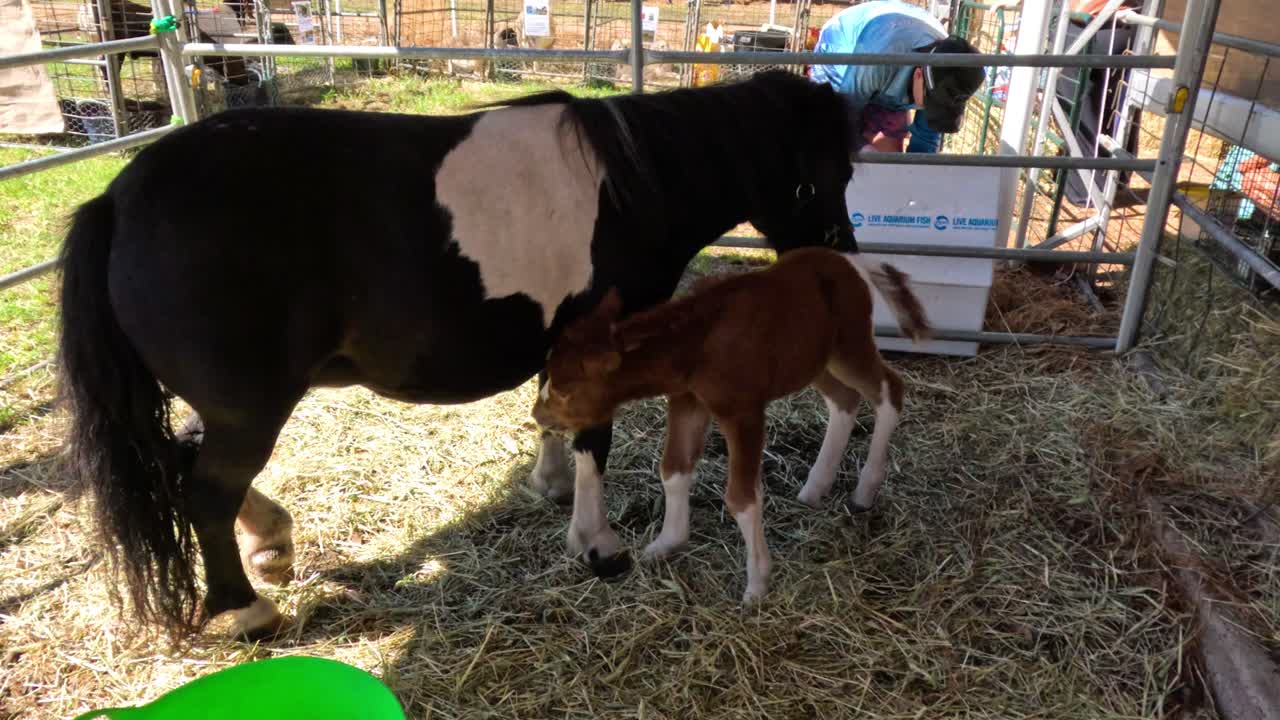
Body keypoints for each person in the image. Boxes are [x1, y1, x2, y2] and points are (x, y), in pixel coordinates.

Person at [809, 0, 985, 154]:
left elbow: (925, 141)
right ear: (918, 74)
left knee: (888, 156)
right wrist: (862, 148)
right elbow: (844, 114)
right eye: (930, 101)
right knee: (831, 139)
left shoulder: (944, 71)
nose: (929, 108)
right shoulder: (878, 57)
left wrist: (915, 177)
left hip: (893, 72)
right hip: (842, 54)